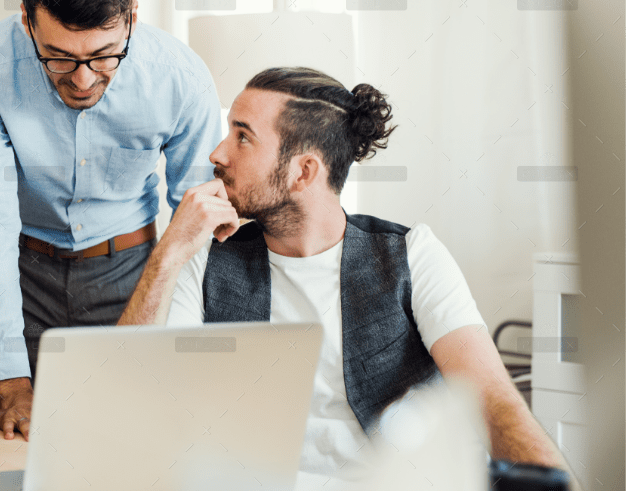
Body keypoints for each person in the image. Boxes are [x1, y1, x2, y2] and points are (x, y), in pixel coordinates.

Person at [118, 67, 569, 478]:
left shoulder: (413, 254)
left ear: (303, 172)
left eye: (242, 137)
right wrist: (170, 249)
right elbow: (136, 397)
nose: (217, 153)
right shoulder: (203, 256)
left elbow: (493, 401)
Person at [0, 0, 222, 440]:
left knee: (135, 441)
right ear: (27, 21)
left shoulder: (180, 78)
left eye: (104, 56)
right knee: (36, 447)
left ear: (132, 18)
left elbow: (201, 219)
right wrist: (10, 382)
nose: (82, 79)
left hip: (133, 271)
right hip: (24, 277)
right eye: (57, 58)